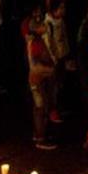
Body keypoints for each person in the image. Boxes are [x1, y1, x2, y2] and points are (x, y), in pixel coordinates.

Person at [26, 18, 57, 150]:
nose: (45, 26)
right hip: (37, 80)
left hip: (40, 79)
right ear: (37, 28)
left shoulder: (37, 41)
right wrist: (51, 69)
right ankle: (40, 138)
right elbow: (35, 65)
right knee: (40, 108)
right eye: (42, 25)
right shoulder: (35, 43)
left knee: (41, 107)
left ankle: (39, 133)